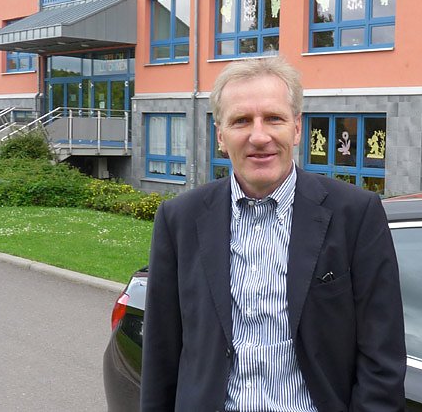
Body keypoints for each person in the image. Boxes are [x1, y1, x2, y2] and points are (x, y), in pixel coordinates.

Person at [140, 57, 406, 412]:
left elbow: (382, 357)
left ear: (296, 128)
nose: (259, 136)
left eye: (274, 118)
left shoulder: (356, 215)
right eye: (241, 121)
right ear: (220, 135)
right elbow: (161, 354)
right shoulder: (179, 219)